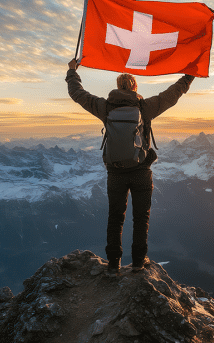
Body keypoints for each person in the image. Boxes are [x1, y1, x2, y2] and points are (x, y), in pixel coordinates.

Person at [65, 58, 195, 273]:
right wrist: (189, 74)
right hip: (141, 171)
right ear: (135, 87)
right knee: (141, 218)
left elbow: (77, 94)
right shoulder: (145, 107)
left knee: (115, 217)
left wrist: (72, 71)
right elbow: (173, 93)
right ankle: (137, 263)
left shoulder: (104, 107)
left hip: (115, 172)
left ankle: (114, 264)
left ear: (117, 87)